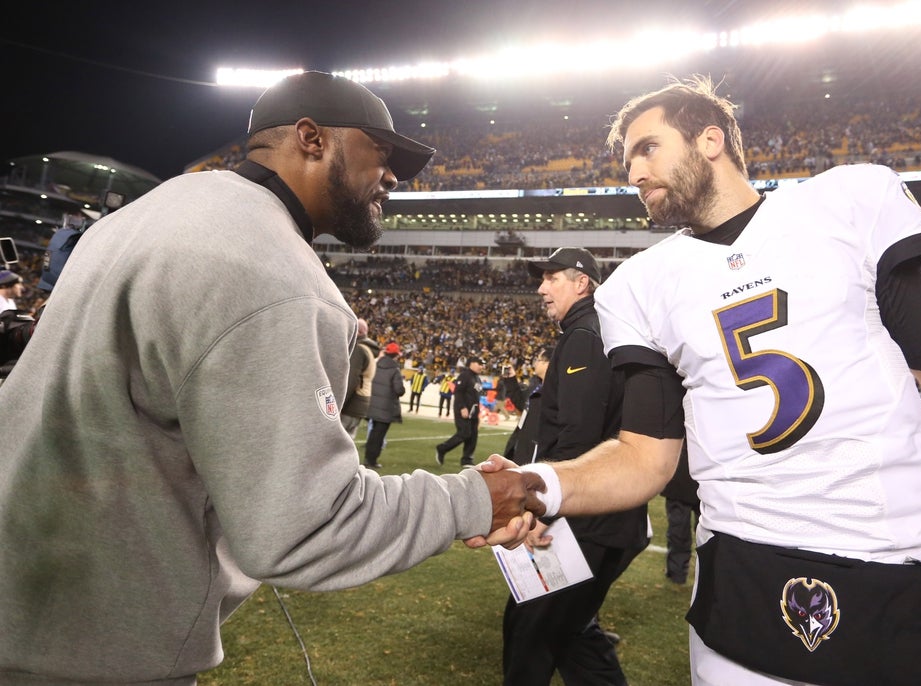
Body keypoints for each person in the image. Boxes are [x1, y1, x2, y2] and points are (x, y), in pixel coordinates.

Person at [491, 77, 921, 685]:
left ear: (710, 141)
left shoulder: (843, 204)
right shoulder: (639, 285)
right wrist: (535, 484)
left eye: (647, 148)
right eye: (627, 160)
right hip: (739, 567)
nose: (634, 172)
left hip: (899, 558)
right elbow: (644, 458)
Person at [0, 71, 545, 685]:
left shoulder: (153, 211)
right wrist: (476, 499)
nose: (394, 177)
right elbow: (306, 528)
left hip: (28, 597)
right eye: (381, 152)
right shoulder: (270, 270)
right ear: (312, 138)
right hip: (92, 646)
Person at [500, 247, 649, 686]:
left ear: (582, 282)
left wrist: (544, 508)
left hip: (584, 517)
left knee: (531, 634)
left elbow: (578, 435)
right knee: (570, 635)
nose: (541, 288)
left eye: (552, 278)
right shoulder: (593, 330)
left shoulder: (585, 334)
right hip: (598, 514)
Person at [504, 346, 552, 465]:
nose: (535, 363)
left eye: (538, 360)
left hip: (534, 449)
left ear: (548, 363)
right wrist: (511, 380)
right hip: (521, 440)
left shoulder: (555, 391)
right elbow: (521, 403)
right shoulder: (536, 385)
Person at [661, 443, 700, 585]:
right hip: (698, 475)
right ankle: (679, 573)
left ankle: (677, 573)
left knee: (679, 529)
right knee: (682, 530)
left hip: (683, 472)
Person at [436, 355, 484, 467]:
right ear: (471, 363)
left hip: (473, 412)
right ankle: (442, 448)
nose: (481, 366)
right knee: (464, 433)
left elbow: (476, 396)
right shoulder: (465, 375)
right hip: (463, 410)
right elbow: (458, 392)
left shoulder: (477, 378)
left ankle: (467, 459)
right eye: (479, 364)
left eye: (482, 364)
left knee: (473, 436)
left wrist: (478, 413)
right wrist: (462, 407)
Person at [364, 341, 405, 468]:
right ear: (396, 355)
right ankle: (372, 460)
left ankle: (368, 458)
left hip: (373, 405)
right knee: (379, 435)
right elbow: (399, 390)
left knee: (373, 433)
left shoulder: (376, 365)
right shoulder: (395, 370)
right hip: (386, 408)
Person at [341, 317, 378, 440]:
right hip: (361, 402)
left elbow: (351, 379)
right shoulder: (369, 349)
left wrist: (340, 404)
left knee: (335, 443)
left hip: (352, 403)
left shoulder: (359, 349)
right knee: (348, 442)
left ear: (358, 332)